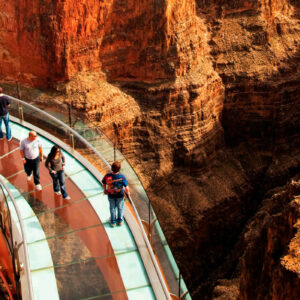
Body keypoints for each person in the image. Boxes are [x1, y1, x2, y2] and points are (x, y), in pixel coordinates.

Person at [102, 161, 130, 227]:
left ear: (111, 168)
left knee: (112, 208)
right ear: (119, 169)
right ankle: (120, 221)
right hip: (120, 196)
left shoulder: (107, 176)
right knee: (120, 207)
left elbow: (104, 183)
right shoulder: (122, 177)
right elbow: (126, 187)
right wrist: (128, 193)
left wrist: (105, 190)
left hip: (111, 195)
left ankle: (113, 222)